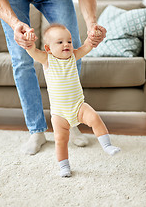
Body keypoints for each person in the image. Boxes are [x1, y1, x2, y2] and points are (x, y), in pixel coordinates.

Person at [0, 0, 106, 155]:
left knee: (70, 50)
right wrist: (15, 23)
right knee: (21, 58)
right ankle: (37, 131)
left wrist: (92, 25)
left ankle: (70, 120)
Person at [25, 24, 121, 177]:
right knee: (61, 140)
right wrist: (29, 44)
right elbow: (33, 52)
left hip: (78, 106)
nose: (66, 45)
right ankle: (64, 166)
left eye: (69, 41)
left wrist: (92, 37)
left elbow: (87, 46)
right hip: (59, 114)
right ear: (48, 48)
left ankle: (107, 145)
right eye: (60, 42)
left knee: (95, 118)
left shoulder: (73, 56)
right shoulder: (47, 59)